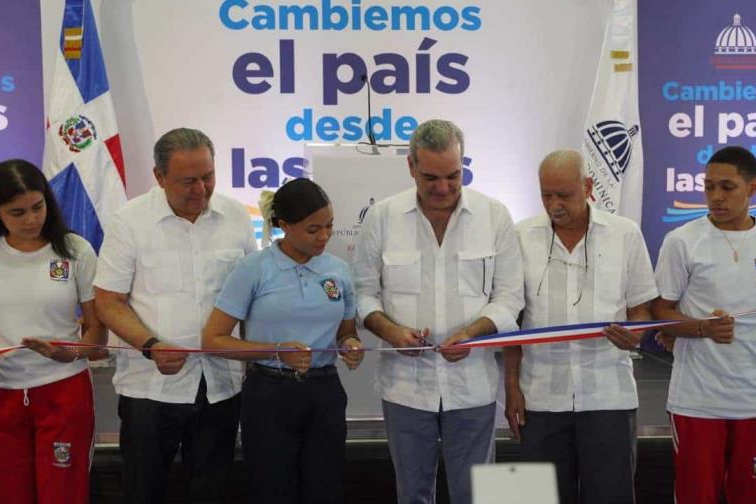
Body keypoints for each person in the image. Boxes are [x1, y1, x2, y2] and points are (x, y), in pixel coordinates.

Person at [353, 119, 524, 504]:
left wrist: (474, 331)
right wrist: (390, 331)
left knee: (476, 495)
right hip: (405, 389)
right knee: (412, 494)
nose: (443, 187)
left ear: (463, 165)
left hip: (473, 388)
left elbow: (510, 298)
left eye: (453, 175)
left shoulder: (495, 216)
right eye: (431, 177)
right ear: (411, 167)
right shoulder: (382, 218)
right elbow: (363, 294)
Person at [94, 128, 257, 504]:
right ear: (159, 177)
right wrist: (149, 346)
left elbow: (253, 294)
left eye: (208, 177)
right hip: (150, 387)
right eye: (188, 181)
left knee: (212, 489)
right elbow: (108, 301)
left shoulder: (234, 217)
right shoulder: (129, 221)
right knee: (145, 490)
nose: (201, 189)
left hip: (221, 384)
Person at [503, 150, 658, 503]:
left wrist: (635, 335)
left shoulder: (625, 234)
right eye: (546, 195)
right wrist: (511, 387)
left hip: (608, 395)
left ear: (587, 187)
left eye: (564, 195)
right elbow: (511, 321)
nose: (554, 204)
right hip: (540, 397)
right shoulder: (520, 236)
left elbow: (642, 309)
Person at [202, 178, 363, 504]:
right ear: (284, 226)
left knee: (326, 488)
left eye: (329, 226)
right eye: (313, 229)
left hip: (325, 393)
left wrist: (351, 347)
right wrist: (276, 352)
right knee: (271, 489)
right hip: (269, 395)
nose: (324, 236)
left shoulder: (339, 270)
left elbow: (346, 332)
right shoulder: (254, 269)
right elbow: (213, 340)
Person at [0, 159, 106, 503]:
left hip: (62, 392)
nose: (31, 219)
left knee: (62, 493)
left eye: (37, 207)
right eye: (17, 212)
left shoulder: (75, 250)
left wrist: (69, 353)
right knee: (6, 494)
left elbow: (97, 331)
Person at [652, 146, 756, 503]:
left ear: (753, 188)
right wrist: (699, 328)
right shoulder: (682, 241)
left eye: (727, 187)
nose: (716, 196)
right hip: (698, 402)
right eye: (709, 186)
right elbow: (659, 309)